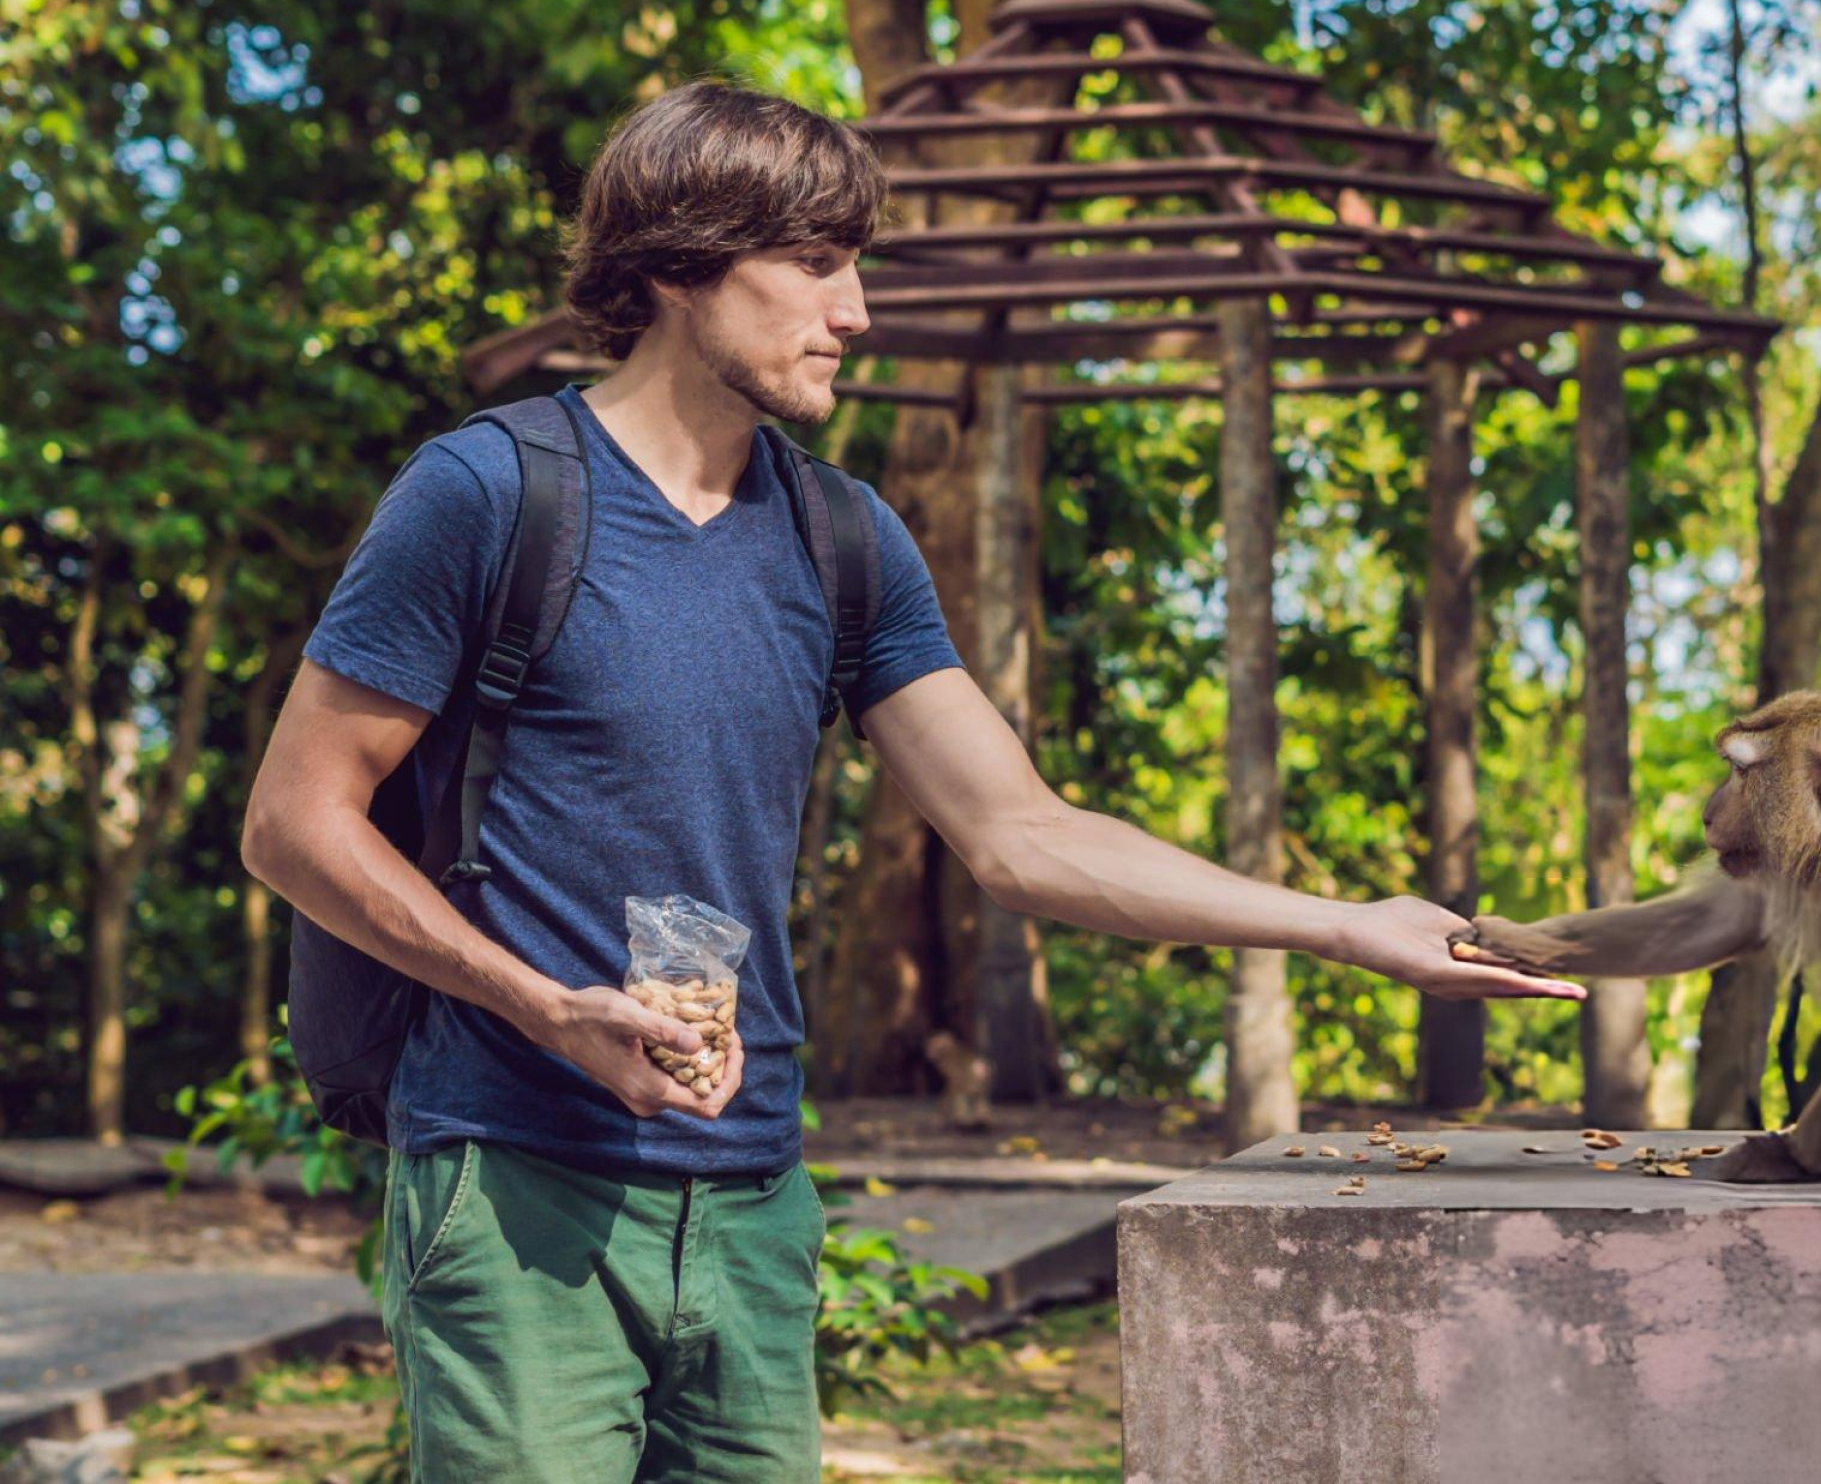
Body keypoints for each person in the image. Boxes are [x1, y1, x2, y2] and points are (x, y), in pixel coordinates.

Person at [240, 77, 1584, 1481]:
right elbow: (293, 823)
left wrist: (1334, 921)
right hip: (514, 1178)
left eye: (856, 266)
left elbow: (1019, 831)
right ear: (682, 269)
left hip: (754, 1198)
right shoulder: (490, 494)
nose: (858, 310)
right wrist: (542, 1003)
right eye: (815, 265)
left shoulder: (842, 535)